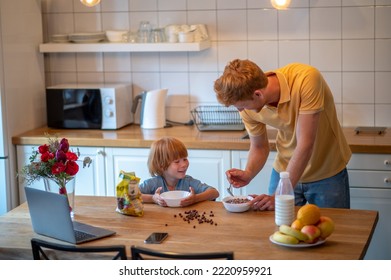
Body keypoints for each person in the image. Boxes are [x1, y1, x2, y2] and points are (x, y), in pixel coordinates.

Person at [214, 59, 351, 210]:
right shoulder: (247, 101)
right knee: (278, 229)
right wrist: (249, 173)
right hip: (284, 172)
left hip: (326, 172)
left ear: (258, 94)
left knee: (333, 230)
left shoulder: (306, 78)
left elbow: (305, 144)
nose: (240, 111)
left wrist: (279, 195)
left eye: (242, 105)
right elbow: (259, 146)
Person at [139, 136, 219, 207]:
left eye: (185, 159)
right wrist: (152, 198)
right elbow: (129, 195)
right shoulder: (153, 183)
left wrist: (195, 199)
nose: (184, 164)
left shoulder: (188, 182)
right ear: (161, 166)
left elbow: (214, 192)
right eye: (177, 162)